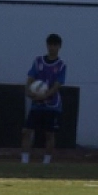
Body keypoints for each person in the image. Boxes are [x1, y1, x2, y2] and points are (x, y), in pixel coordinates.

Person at [22, 34, 66, 164]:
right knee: (26, 131)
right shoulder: (38, 61)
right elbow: (30, 78)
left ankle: (46, 162)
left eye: (55, 45)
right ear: (47, 46)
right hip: (37, 104)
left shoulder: (62, 65)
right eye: (50, 45)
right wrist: (28, 91)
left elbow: (57, 85)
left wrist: (45, 95)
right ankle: (24, 161)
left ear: (59, 47)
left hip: (52, 105)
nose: (52, 47)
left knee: (49, 134)